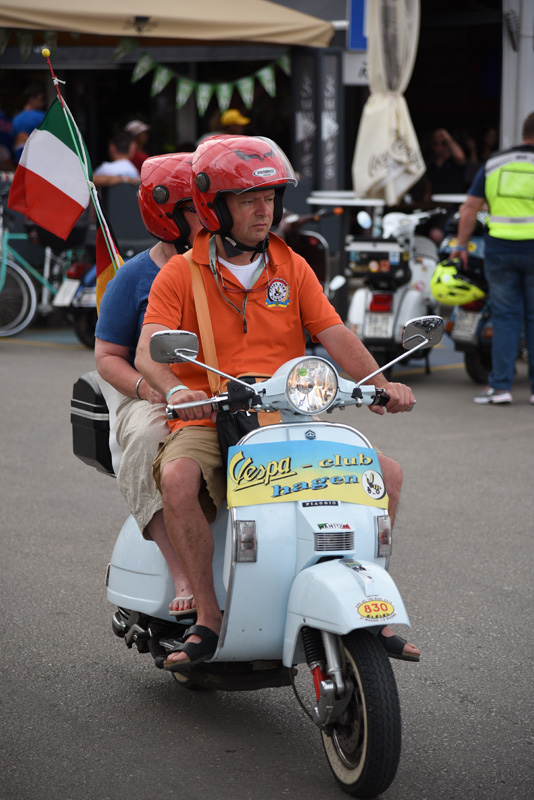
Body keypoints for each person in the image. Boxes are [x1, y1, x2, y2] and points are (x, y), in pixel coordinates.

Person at [135, 135, 419, 670]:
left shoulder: (292, 267)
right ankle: (210, 616)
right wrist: (178, 390)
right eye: (248, 200)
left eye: (269, 198)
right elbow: (150, 344)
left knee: (388, 474)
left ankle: (368, 612)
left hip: (289, 411)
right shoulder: (181, 272)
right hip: (213, 410)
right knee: (176, 480)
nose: (263, 210)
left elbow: (334, 334)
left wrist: (382, 385)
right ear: (214, 208)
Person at [94, 152, 203, 615]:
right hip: (150, 394)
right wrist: (150, 389)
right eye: (196, 206)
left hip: (214, 390)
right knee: (148, 437)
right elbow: (107, 357)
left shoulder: (230, 267)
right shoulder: (134, 277)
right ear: (168, 213)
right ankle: (179, 569)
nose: (209, 213)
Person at [451, 112, 534, 405]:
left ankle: (500, 388)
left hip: (500, 250)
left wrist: (461, 245)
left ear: (523, 133)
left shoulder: (496, 162)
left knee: (506, 318)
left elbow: (471, 206)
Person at [423, 128, 467, 243]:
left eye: (443, 144)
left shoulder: (454, 162)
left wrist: (447, 137)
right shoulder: (431, 165)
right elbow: (428, 188)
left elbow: (460, 156)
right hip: (435, 207)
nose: (440, 147)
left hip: (453, 207)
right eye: (436, 144)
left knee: (436, 234)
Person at [12, 85, 46, 163]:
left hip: (20, 162)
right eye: (41, 100)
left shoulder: (15, 119)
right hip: (39, 160)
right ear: (32, 100)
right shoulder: (43, 117)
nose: (43, 103)